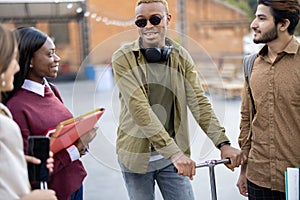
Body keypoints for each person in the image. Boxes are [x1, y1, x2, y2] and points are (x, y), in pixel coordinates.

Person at [111, 0, 246, 199]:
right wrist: (175, 153)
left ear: (168, 19)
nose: (148, 25)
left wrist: (223, 143)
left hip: (172, 158)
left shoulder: (181, 57)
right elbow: (139, 108)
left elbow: (198, 101)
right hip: (137, 157)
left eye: (155, 19)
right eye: (141, 22)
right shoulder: (122, 58)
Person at [3, 26, 96, 200]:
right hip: (52, 193)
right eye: (50, 54)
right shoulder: (16, 108)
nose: (57, 58)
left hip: (74, 183)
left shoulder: (51, 89)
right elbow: (31, 170)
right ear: (30, 60)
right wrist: (76, 149)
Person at [237, 0, 300, 199]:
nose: (253, 24)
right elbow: (247, 118)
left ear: (283, 24)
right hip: (258, 179)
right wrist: (244, 170)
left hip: (296, 180)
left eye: (262, 18)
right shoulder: (251, 64)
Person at [0, 24, 57, 200]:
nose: (17, 68)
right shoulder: (13, 110)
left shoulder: (51, 90)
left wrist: (17, 162)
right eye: (12, 60)